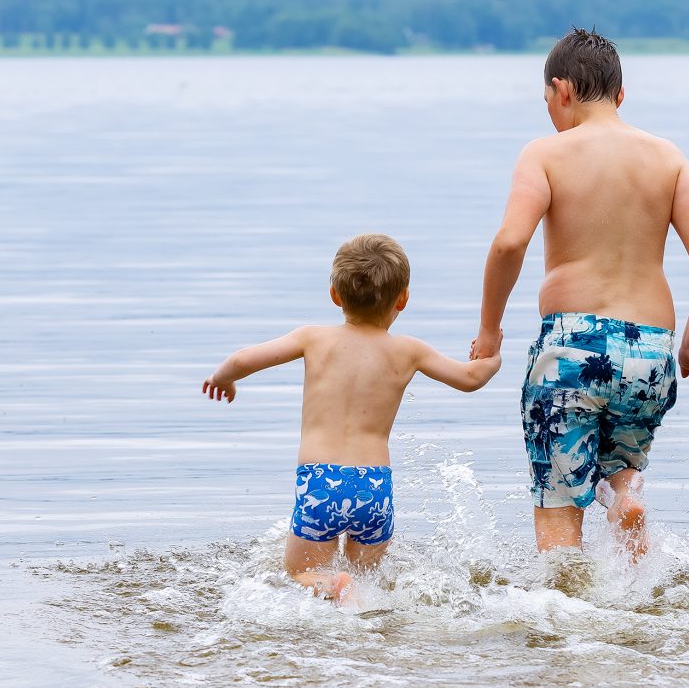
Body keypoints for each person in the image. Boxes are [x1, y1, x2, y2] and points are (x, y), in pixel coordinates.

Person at [470, 28, 689, 558]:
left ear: (561, 90)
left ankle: (563, 614)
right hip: (650, 352)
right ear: (620, 95)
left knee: (559, 516)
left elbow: (509, 241)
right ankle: (624, 494)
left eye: (547, 102)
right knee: (624, 475)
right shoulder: (667, 157)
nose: (548, 114)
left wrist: (489, 329)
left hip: (572, 348)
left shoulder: (545, 154)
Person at [204, 233, 501, 600]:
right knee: (368, 583)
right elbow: (470, 379)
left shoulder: (313, 338)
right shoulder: (409, 351)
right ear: (403, 299)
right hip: (374, 487)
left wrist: (223, 379)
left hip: (320, 480)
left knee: (303, 571)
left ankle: (333, 586)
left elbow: (242, 359)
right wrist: (491, 357)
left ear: (335, 295)